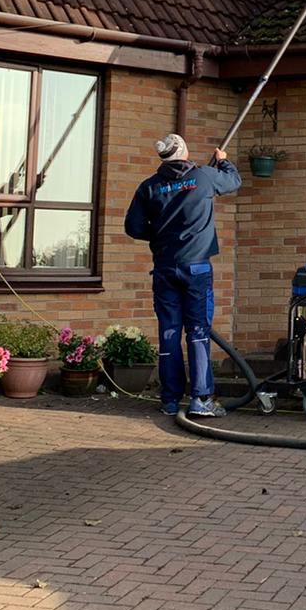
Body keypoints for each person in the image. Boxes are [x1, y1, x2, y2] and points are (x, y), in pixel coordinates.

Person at [124, 133, 242, 417]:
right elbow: (233, 182)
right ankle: (201, 399)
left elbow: (133, 227)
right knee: (198, 332)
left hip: (164, 267)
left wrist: (162, 235)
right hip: (197, 268)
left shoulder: (149, 187)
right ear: (185, 153)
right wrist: (224, 163)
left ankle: (170, 400)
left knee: (169, 332)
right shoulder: (204, 177)